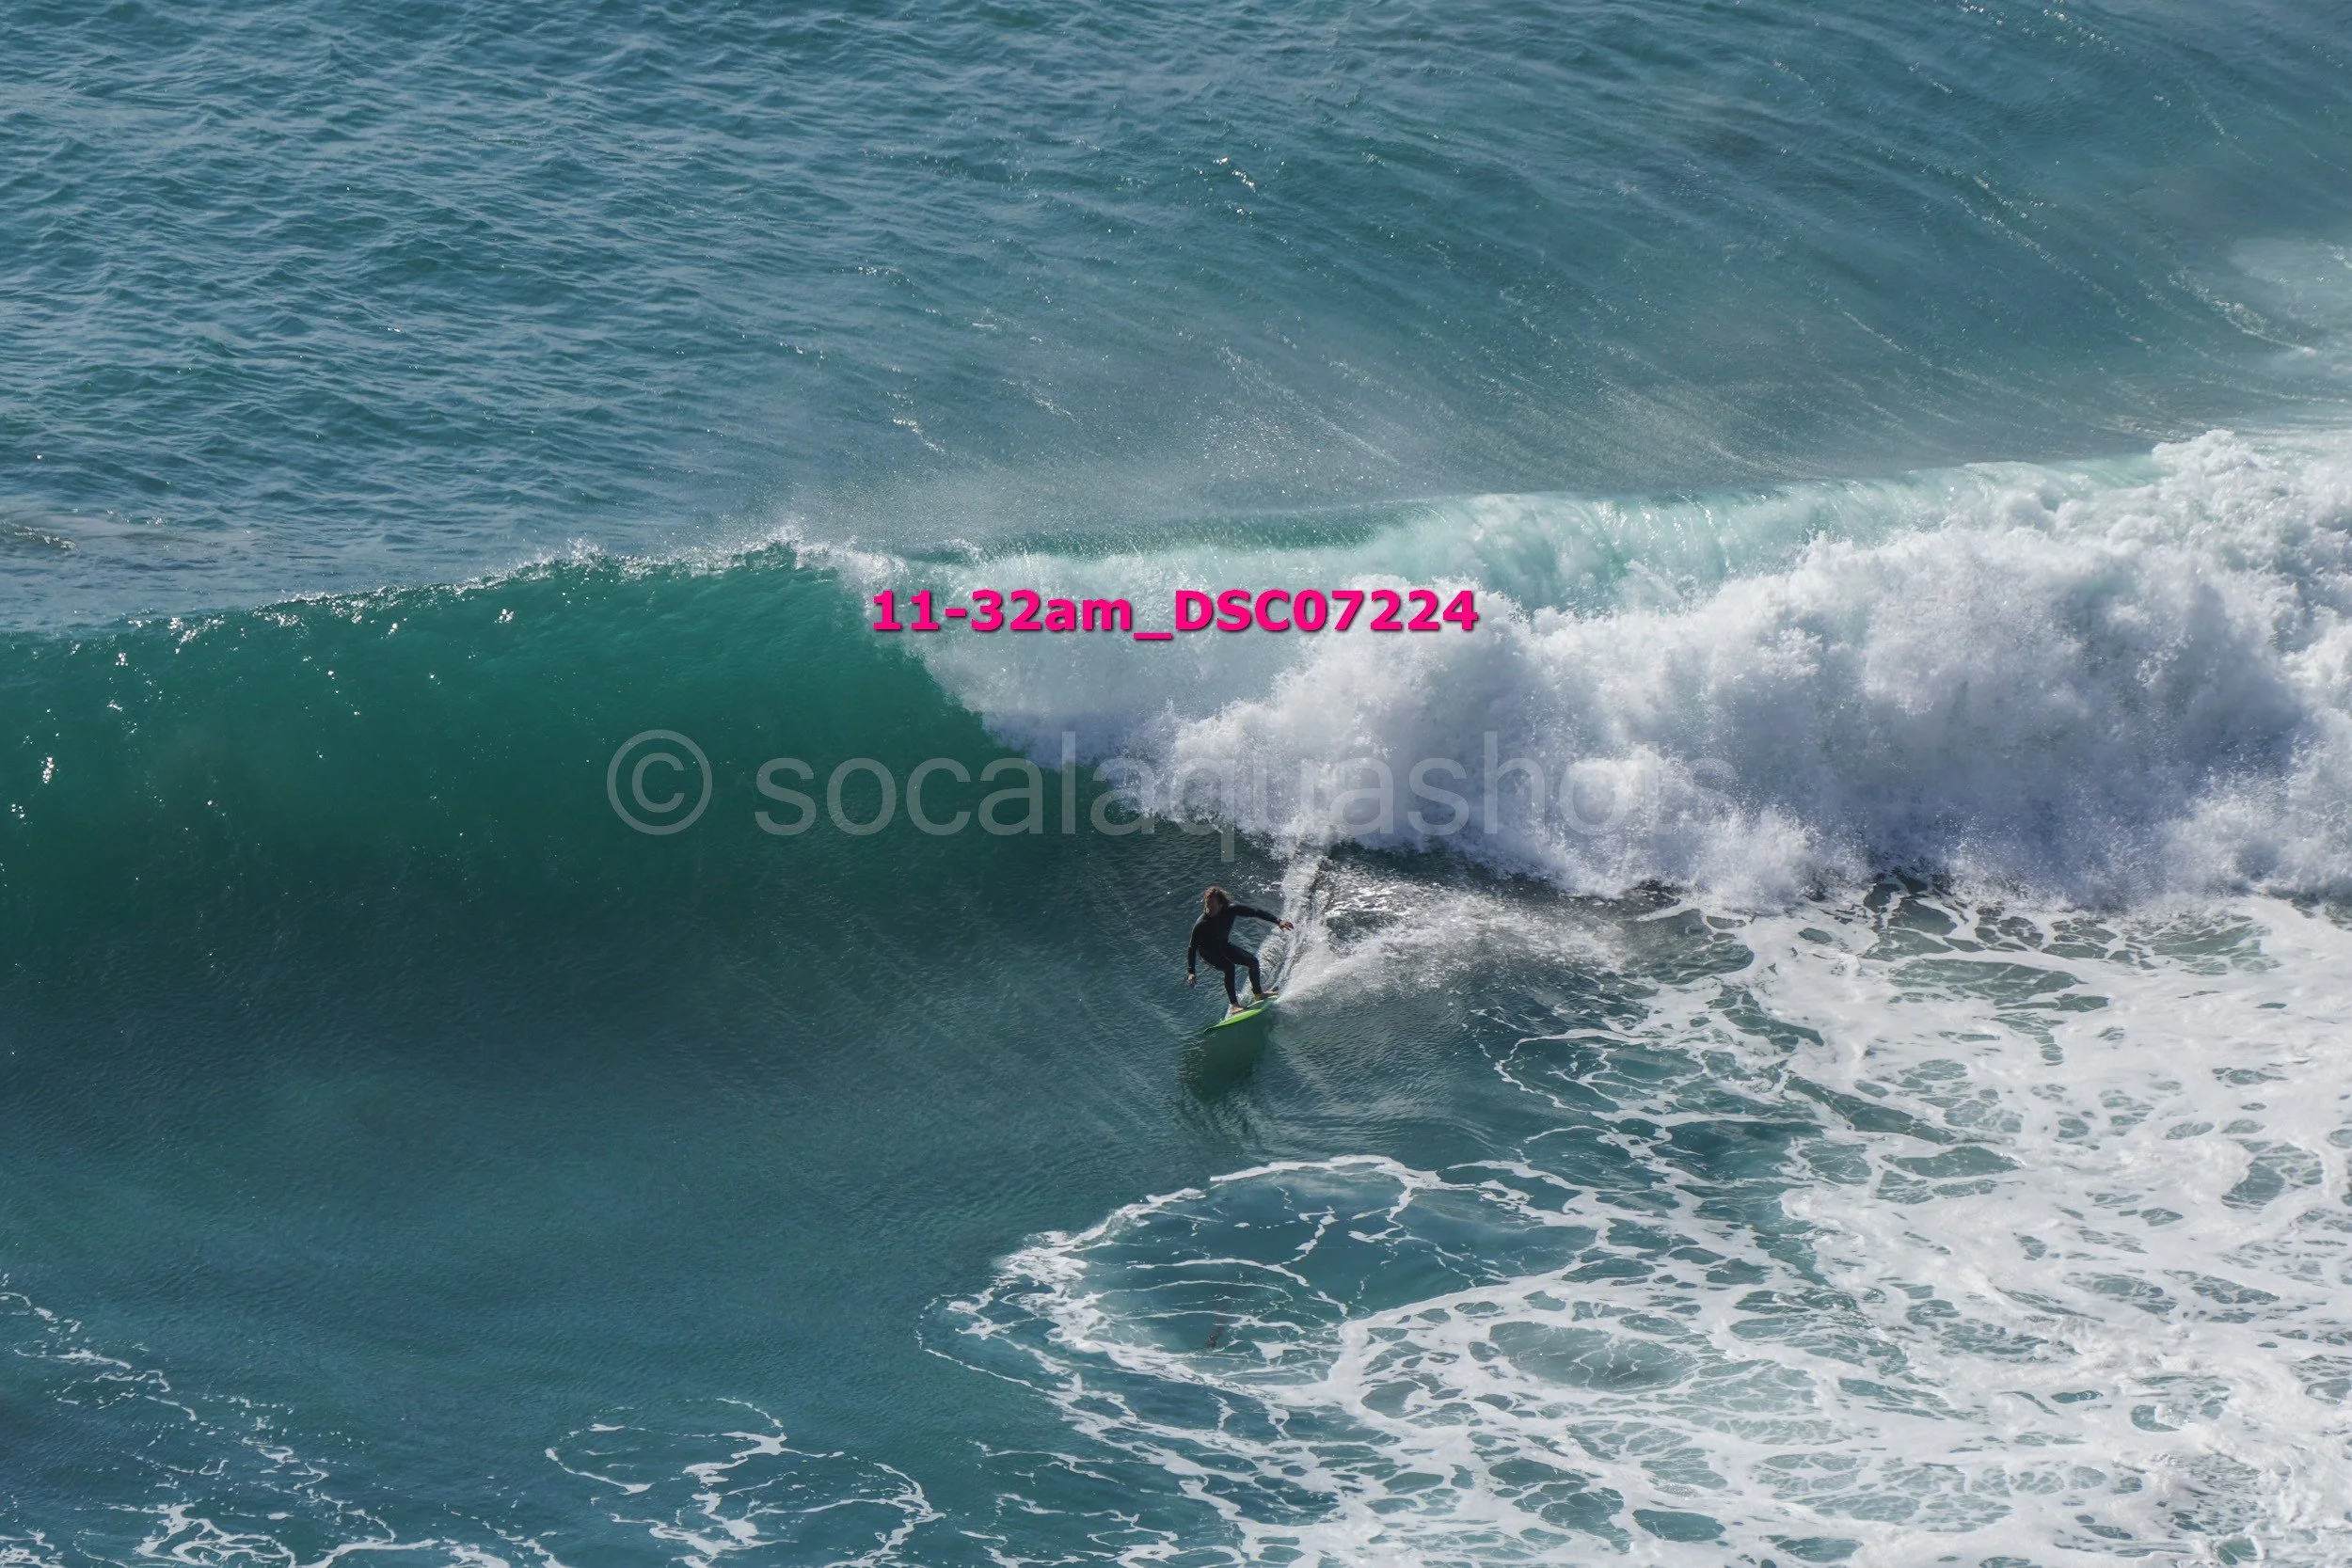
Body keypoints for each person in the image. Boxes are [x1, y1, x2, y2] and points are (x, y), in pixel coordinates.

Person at [1185, 885, 1293, 1012]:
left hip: (1223, 945)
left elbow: (1255, 912)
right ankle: (1234, 1005)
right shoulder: (1201, 923)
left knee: (1253, 962)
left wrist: (1278, 921)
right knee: (1229, 967)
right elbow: (1192, 947)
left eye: (1212, 906)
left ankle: (1258, 994)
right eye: (1207, 906)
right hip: (1206, 951)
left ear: (1220, 904)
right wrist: (1191, 971)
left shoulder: (1231, 909)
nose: (1208, 910)